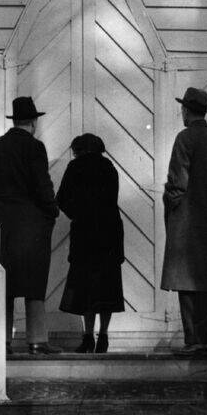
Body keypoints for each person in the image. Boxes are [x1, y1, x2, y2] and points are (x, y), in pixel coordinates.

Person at [0, 96, 58, 353]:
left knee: (6, 282)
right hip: (33, 224)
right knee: (34, 284)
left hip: (6, 224)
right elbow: (42, 186)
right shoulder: (35, 148)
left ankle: (3, 342)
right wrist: (51, 211)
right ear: (33, 122)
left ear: (15, 120)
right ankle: (36, 340)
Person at [160, 85, 207, 356]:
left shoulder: (185, 138)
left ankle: (194, 340)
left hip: (186, 221)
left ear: (186, 111)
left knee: (186, 281)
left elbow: (178, 180)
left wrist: (171, 203)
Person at [56, 133, 125, 353]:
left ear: (80, 149)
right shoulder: (109, 168)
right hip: (109, 232)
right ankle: (103, 336)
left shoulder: (75, 167)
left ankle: (88, 336)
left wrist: (78, 214)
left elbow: (61, 199)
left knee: (86, 287)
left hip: (85, 232)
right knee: (107, 286)